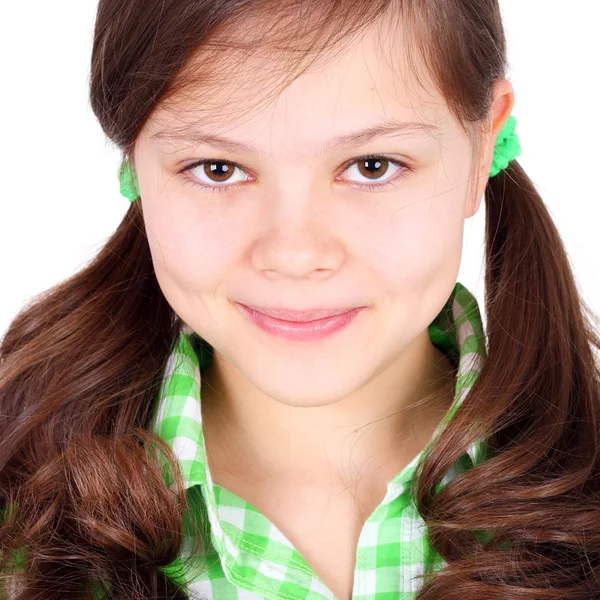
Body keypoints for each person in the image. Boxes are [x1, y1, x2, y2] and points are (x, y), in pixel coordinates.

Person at [1, 1, 599, 598]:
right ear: (135, 163)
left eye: (372, 166)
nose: (293, 253)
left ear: (482, 145)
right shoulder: (19, 512)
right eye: (217, 168)